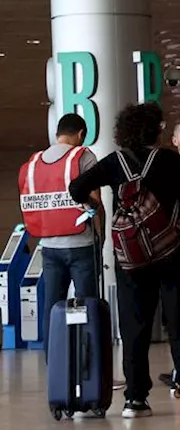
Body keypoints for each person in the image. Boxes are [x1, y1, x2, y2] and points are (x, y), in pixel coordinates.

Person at [68, 103, 180, 418]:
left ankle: (135, 399)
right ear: (155, 128)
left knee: (134, 326)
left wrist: (95, 205)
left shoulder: (114, 162)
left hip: (131, 258)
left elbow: (76, 188)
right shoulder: (168, 160)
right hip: (172, 252)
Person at [18, 114, 102, 346]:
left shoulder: (34, 163)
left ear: (57, 134)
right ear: (81, 134)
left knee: (53, 306)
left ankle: (55, 364)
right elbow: (96, 201)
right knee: (87, 306)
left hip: (49, 247)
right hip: (82, 245)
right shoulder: (83, 157)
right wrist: (100, 236)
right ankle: (89, 366)